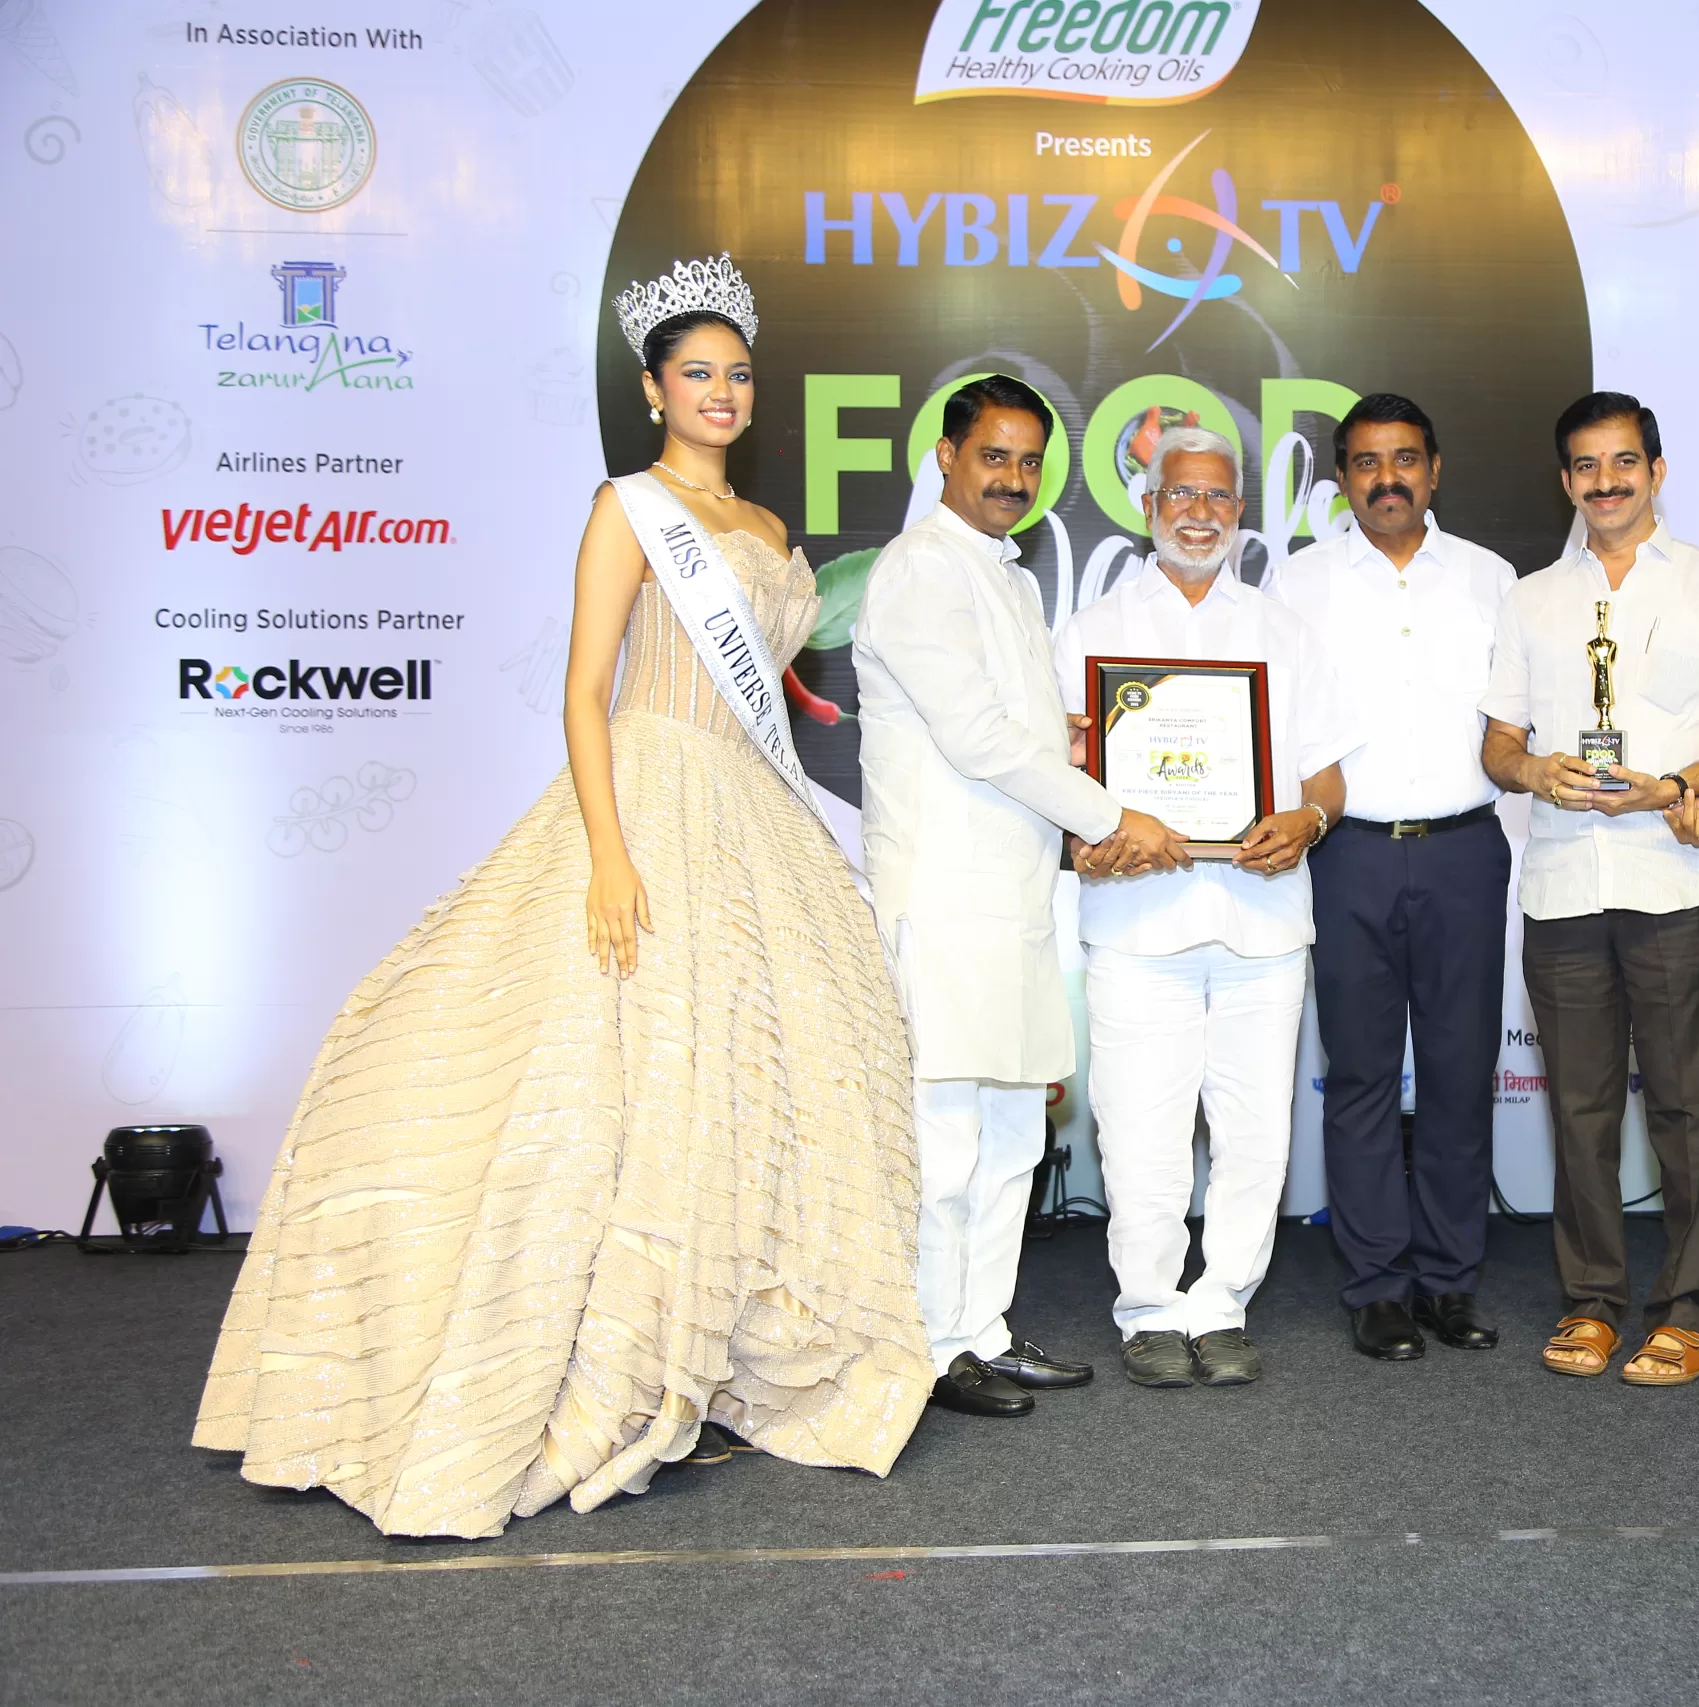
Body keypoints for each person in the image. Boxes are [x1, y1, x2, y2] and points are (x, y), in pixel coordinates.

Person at [194, 256, 932, 1536]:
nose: (719, 392)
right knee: (618, 1074)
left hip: (753, 813)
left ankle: (703, 1356)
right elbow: (585, 692)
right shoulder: (627, 509)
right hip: (647, 793)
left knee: (744, 1080)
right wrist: (608, 851)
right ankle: (601, 1359)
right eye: (695, 373)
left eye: (737, 374)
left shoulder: (769, 530)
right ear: (653, 389)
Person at [854, 375, 1190, 1419]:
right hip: (945, 895)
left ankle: (982, 1330)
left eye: (1028, 461)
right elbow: (976, 737)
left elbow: (1015, 729)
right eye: (992, 456)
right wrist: (1115, 814)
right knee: (948, 1138)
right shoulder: (921, 569)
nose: (1012, 478)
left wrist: (1076, 744)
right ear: (946, 458)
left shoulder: (1005, 576)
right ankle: (929, 1345)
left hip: (1012, 894)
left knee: (1010, 1135)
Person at [1054, 427, 1356, 1387]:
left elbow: (1328, 775)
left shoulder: (1284, 631)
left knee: (1256, 1131)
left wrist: (1309, 819)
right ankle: (1148, 1308)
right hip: (1138, 922)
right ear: (1147, 506)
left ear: (1240, 513)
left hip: (1263, 920)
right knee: (1139, 1130)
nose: (1199, 513)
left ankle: (1224, 1302)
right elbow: (1058, 769)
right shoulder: (1091, 631)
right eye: (1180, 494)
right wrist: (1091, 830)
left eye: (1218, 496)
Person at [1479, 392, 1699, 1389]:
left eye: (1623, 463)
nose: (1605, 482)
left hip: (1671, 877)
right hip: (1561, 882)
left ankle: (1687, 1312)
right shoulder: (1529, 599)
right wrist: (1532, 771)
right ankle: (1592, 1300)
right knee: (1580, 1111)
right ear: (1566, 481)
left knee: (1685, 1109)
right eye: (1586, 466)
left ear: (1656, 470)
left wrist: (1676, 786)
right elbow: (1497, 743)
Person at [1267, 394, 1517, 1361]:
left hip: (1464, 850)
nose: (1387, 478)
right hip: (1349, 854)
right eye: (1366, 462)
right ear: (1341, 479)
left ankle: (1450, 1278)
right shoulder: (1298, 583)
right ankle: (1376, 1284)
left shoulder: (1492, 578)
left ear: (1435, 468)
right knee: (1362, 1076)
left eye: (1405, 458)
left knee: (1459, 1072)